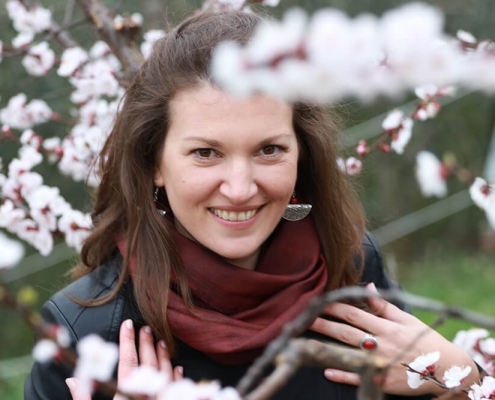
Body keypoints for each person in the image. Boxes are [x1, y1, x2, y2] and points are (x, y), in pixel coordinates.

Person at [24, 10, 480, 400]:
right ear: (154, 163)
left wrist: (459, 380)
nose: (240, 189)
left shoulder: (351, 264)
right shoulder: (86, 334)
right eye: (206, 153)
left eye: (269, 150)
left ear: (301, 155)